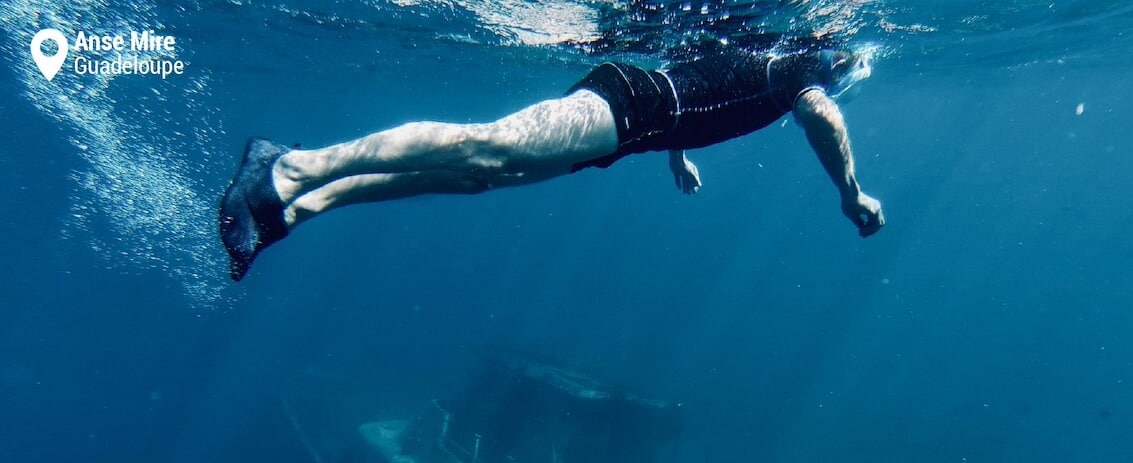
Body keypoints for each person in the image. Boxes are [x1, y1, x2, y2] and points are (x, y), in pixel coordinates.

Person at [219, 45, 884, 282]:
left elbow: (702, 80)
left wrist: (674, 157)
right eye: (853, 72)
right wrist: (851, 195)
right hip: (626, 105)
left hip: (634, 131)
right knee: (486, 146)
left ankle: (301, 208)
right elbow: (821, 115)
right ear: (839, 59)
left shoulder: (770, 63)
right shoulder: (808, 66)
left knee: (476, 176)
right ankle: (291, 166)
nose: (846, 83)